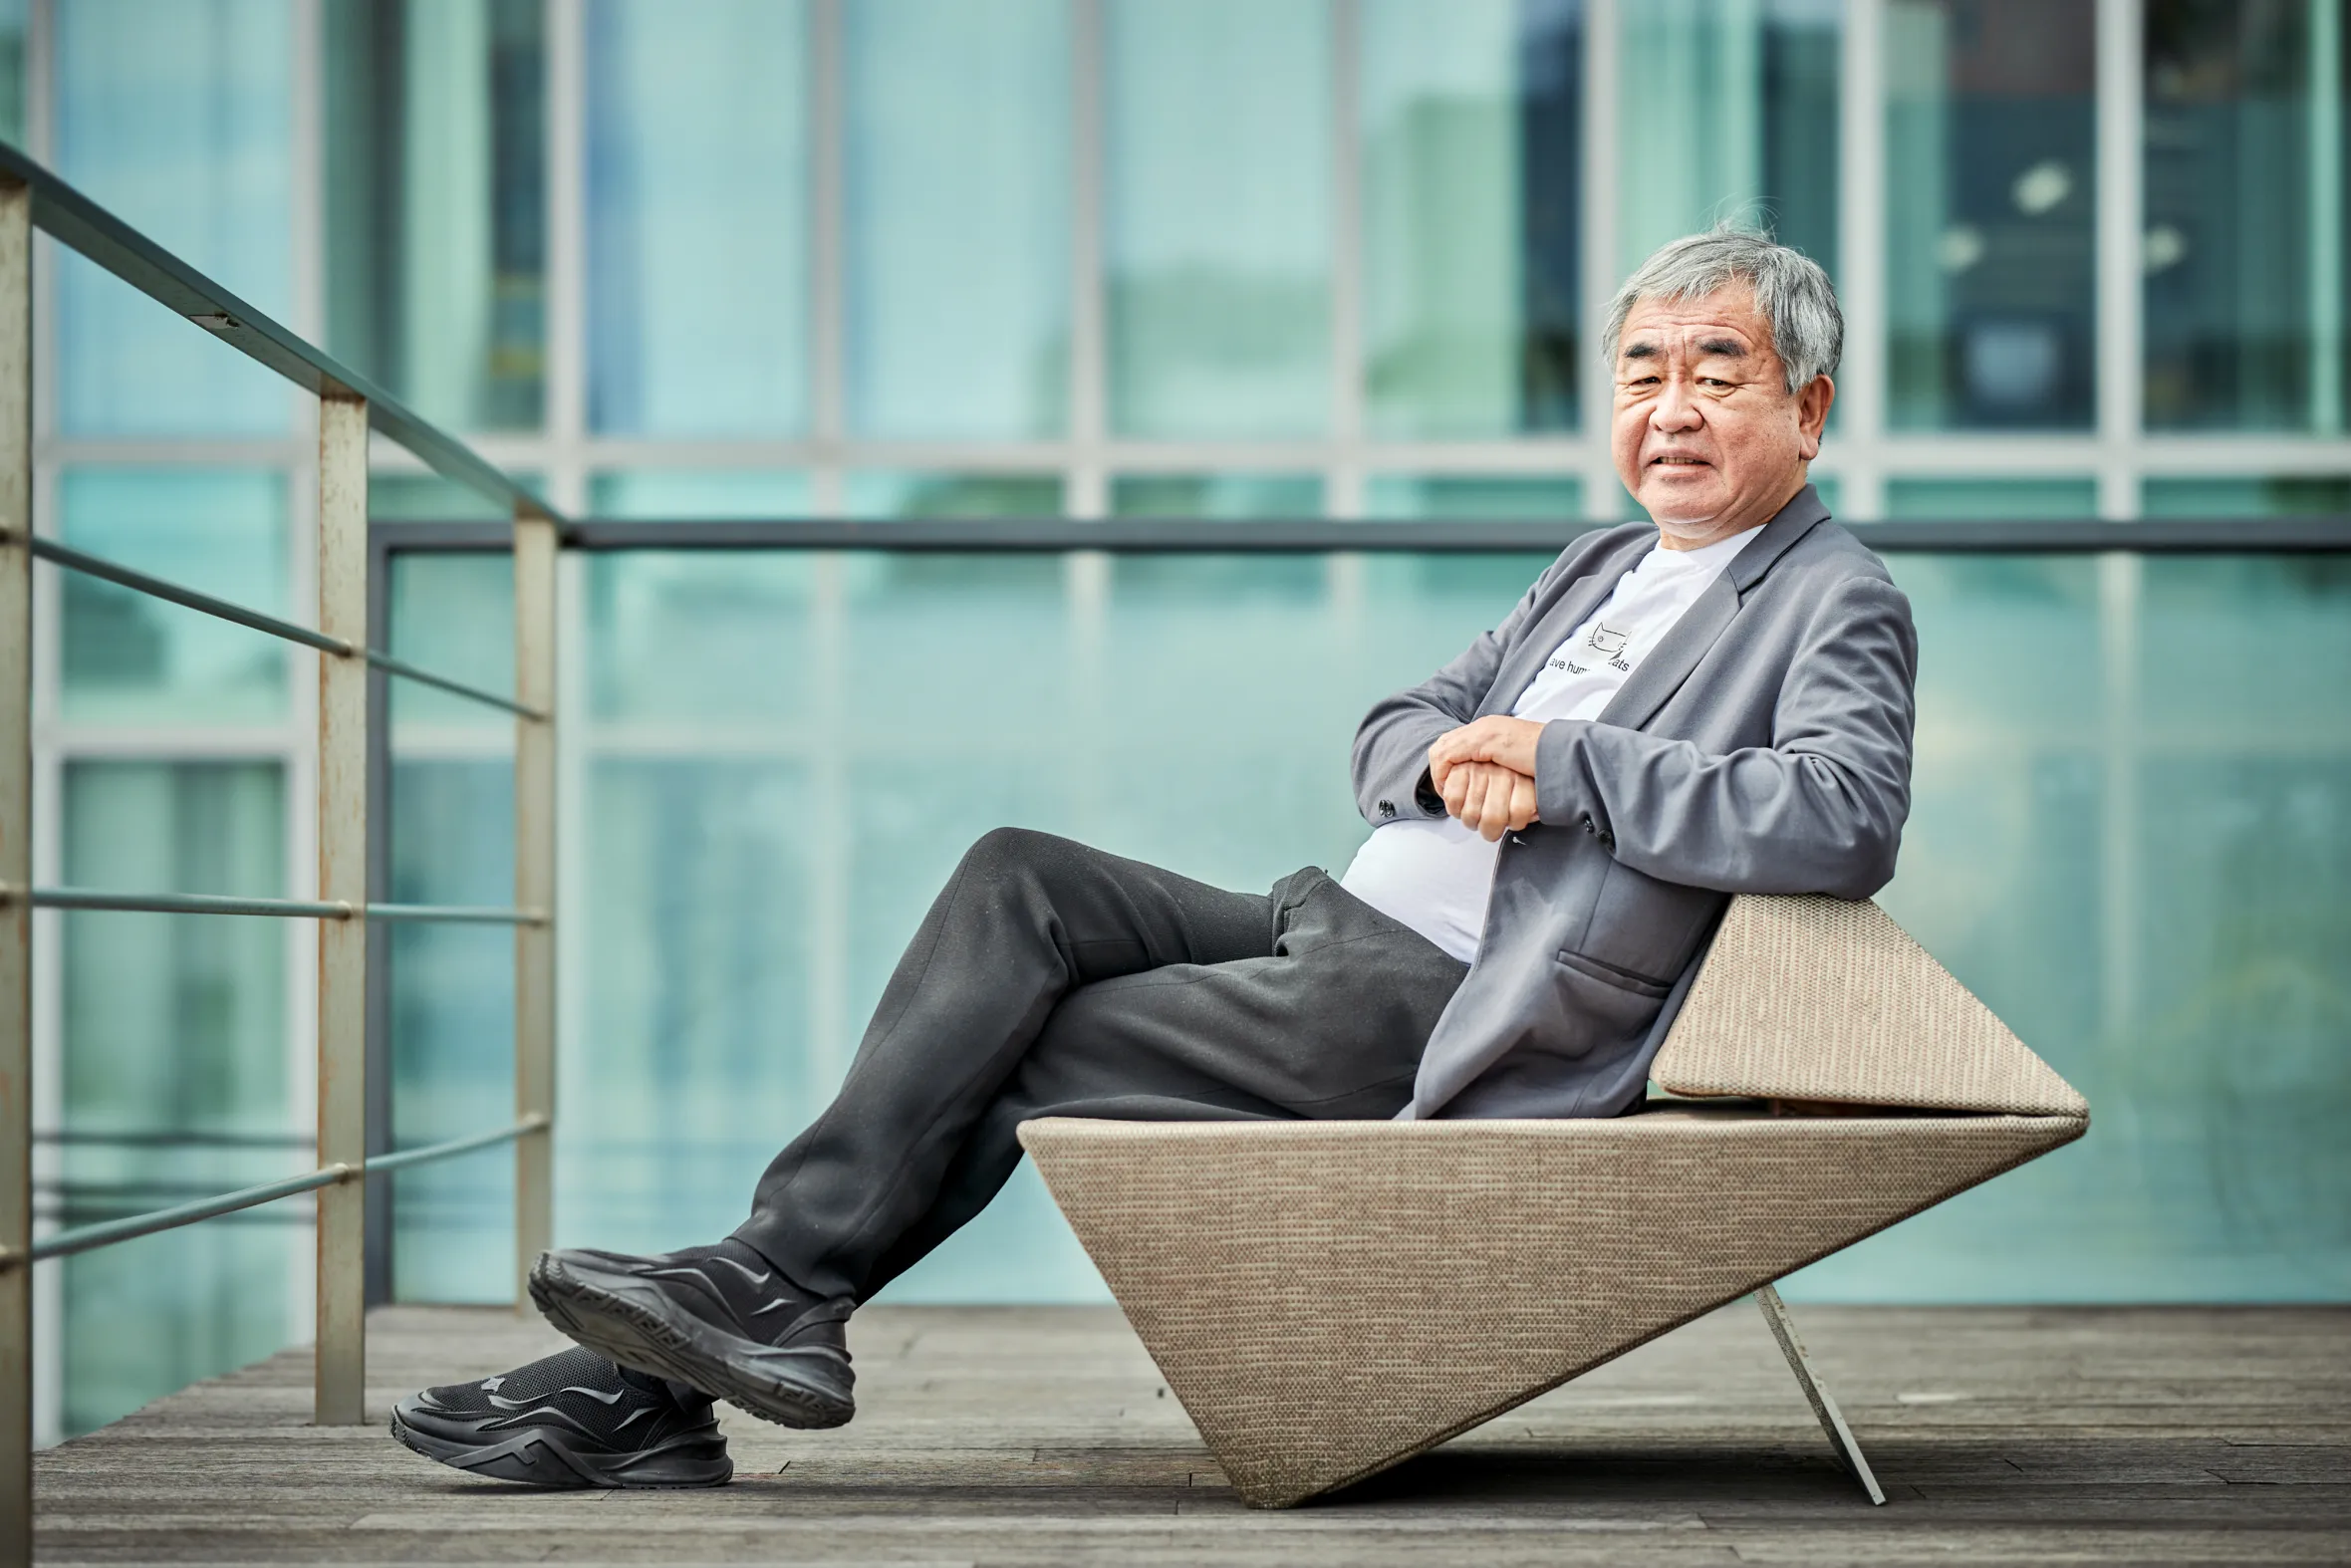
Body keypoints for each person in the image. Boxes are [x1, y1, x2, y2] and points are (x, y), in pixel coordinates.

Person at [391, 228, 1918, 1489]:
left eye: (1718, 371)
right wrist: (1452, 755)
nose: (1671, 408)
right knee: (1016, 878)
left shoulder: (1830, 596)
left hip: (1447, 1001)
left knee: (1035, 1038)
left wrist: (1562, 761)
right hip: (1331, 922)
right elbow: (1399, 723)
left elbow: (1844, 817)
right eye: (1643, 372)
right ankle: (733, 1322)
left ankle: (674, 1355)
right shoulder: (1604, 563)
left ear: (1810, 408)